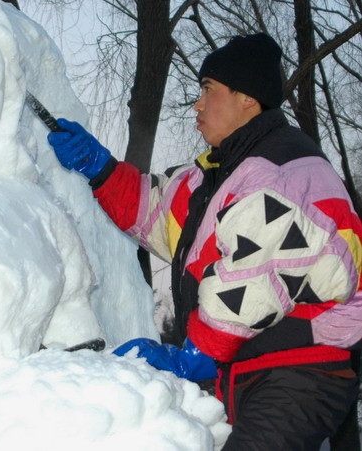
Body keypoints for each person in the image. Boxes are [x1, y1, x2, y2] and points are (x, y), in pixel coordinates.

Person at [48, 33, 362, 450]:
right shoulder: (216, 175)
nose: (197, 104)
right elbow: (155, 212)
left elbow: (249, 280)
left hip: (298, 373)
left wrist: (190, 355)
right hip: (252, 371)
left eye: (208, 90)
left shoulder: (282, 173)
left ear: (247, 97)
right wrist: (100, 167)